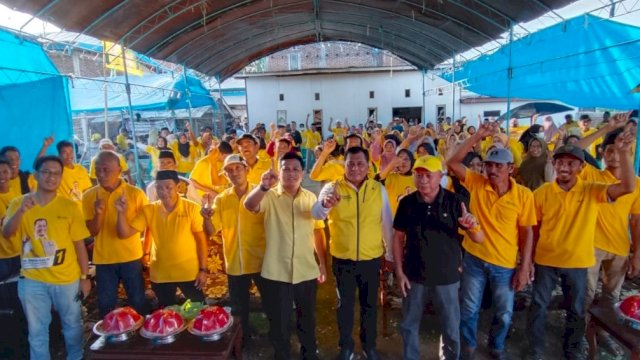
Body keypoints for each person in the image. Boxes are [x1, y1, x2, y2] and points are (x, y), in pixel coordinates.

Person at [527, 130, 635, 359]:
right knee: (538, 307)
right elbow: (533, 229)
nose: (564, 167)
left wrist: (625, 153)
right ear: (554, 165)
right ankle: (535, 350)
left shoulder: (593, 191)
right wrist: (529, 260)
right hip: (545, 261)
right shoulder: (542, 193)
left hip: (578, 262)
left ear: (581, 168)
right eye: (560, 162)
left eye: (571, 163)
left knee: (576, 310)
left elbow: (627, 188)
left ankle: (573, 349)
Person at [446, 121, 537, 360]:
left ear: (511, 169)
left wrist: (525, 266)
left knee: (504, 312)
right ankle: (467, 347)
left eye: (498, 166)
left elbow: (527, 233)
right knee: (468, 309)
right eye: (489, 165)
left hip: (505, 264)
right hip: (474, 259)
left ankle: (496, 345)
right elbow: (452, 163)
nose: (492, 170)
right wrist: (477, 136)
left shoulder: (524, 196)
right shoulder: (477, 184)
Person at [394, 155, 484, 360]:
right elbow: (398, 237)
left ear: (440, 176)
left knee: (451, 327)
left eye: (428, 175)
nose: (423, 180)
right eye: (418, 175)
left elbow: (479, 239)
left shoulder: (455, 202)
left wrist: (473, 225)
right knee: (409, 325)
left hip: (447, 277)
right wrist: (399, 272)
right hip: (413, 275)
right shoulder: (407, 203)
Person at [3, 156, 91, 360]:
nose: (51, 177)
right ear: (36, 175)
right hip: (33, 281)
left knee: (72, 326)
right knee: (37, 331)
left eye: (56, 173)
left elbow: (79, 245)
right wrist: (21, 212)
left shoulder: (69, 207)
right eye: (46, 172)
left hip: (66, 279)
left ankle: (75, 356)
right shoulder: (19, 202)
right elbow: (7, 233)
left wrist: (85, 277)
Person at [312, 146, 393, 360]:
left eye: (360, 164)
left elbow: (387, 224)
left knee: (370, 306)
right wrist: (326, 204)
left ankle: (369, 346)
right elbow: (316, 213)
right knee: (344, 306)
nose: (355, 168)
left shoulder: (378, 189)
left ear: (368, 166)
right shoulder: (332, 188)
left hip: (371, 259)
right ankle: (346, 347)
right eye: (351, 164)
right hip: (343, 259)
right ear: (344, 165)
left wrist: (390, 256)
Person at [244, 152, 327, 360]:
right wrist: (263, 186)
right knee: (279, 321)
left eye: (295, 169)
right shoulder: (269, 195)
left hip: (306, 271)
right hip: (276, 272)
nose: (290, 173)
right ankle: (282, 355)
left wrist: (323, 265)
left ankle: (309, 354)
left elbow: (318, 232)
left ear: (302, 173)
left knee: (307, 319)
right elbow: (249, 205)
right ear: (278, 172)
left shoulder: (311, 198)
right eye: (286, 169)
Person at [116, 170, 208, 307]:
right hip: (160, 273)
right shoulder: (149, 210)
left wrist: (203, 270)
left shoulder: (192, 208)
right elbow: (124, 233)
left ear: (177, 187)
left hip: (189, 272)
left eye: (168, 187)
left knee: (199, 310)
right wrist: (121, 213)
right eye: (159, 187)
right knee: (167, 315)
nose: (163, 191)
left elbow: (201, 240)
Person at [201, 154, 266, 341]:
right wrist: (206, 218)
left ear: (247, 170)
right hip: (235, 262)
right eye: (229, 170)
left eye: (238, 168)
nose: (234, 172)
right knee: (239, 307)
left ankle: (276, 338)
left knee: (271, 302)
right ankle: (243, 340)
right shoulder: (221, 199)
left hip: (261, 260)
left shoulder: (261, 194)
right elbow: (212, 231)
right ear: (225, 175)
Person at [83, 151, 148, 317]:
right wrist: (98, 213)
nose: (101, 175)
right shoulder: (89, 196)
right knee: (106, 304)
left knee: (138, 301)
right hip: (104, 258)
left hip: (131, 257)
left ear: (119, 170)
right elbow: (92, 231)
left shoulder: (136, 194)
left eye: (106, 170)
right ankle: (110, 339)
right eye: (98, 170)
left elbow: (141, 228)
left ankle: (140, 338)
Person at [0, 156, 28, 358]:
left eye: (4, 172)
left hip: (19, 255)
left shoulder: (18, 198)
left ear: (10, 173)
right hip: (1, 259)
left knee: (21, 301)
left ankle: (21, 343)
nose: (2, 176)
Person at [37, 138, 92, 205]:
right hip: (62, 211)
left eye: (71, 152)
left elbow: (87, 192)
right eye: (65, 152)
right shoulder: (56, 170)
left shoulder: (81, 169)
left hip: (80, 212)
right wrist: (45, 146)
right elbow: (38, 165)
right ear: (59, 155)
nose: (69, 155)